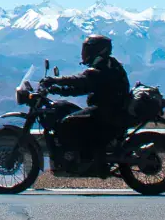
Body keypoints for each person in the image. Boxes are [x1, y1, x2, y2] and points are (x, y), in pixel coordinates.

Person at [43, 34, 132, 168]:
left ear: (97, 50)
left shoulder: (102, 66)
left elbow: (81, 80)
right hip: (109, 109)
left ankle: (92, 160)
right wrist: (58, 90)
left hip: (106, 111)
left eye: (87, 49)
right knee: (68, 111)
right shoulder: (108, 64)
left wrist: (56, 80)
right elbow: (84, 87)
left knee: (68, 122)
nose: (84, 53)